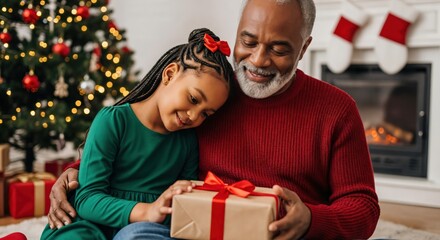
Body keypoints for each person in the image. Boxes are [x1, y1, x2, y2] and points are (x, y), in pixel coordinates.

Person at [48, 0, 381, 239]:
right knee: (138, 234)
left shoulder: (336, 109)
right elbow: (142, 142)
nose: (258, 60)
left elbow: (363, 208)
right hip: (200, 229)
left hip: (280, 235)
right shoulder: (214, 94)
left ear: (304, 48)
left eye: (279, 49)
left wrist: (310, 221)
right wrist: (74, 176)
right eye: (248, 42)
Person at [40, 27, 234, 240]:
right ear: (170, 74)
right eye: (193, 99)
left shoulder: (187, 142)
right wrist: (147, 210)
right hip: (89, 224)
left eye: (205, 114)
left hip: (146, 230)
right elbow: (88, 199)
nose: (194, 116)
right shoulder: (113, 121)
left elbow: (184, 205)